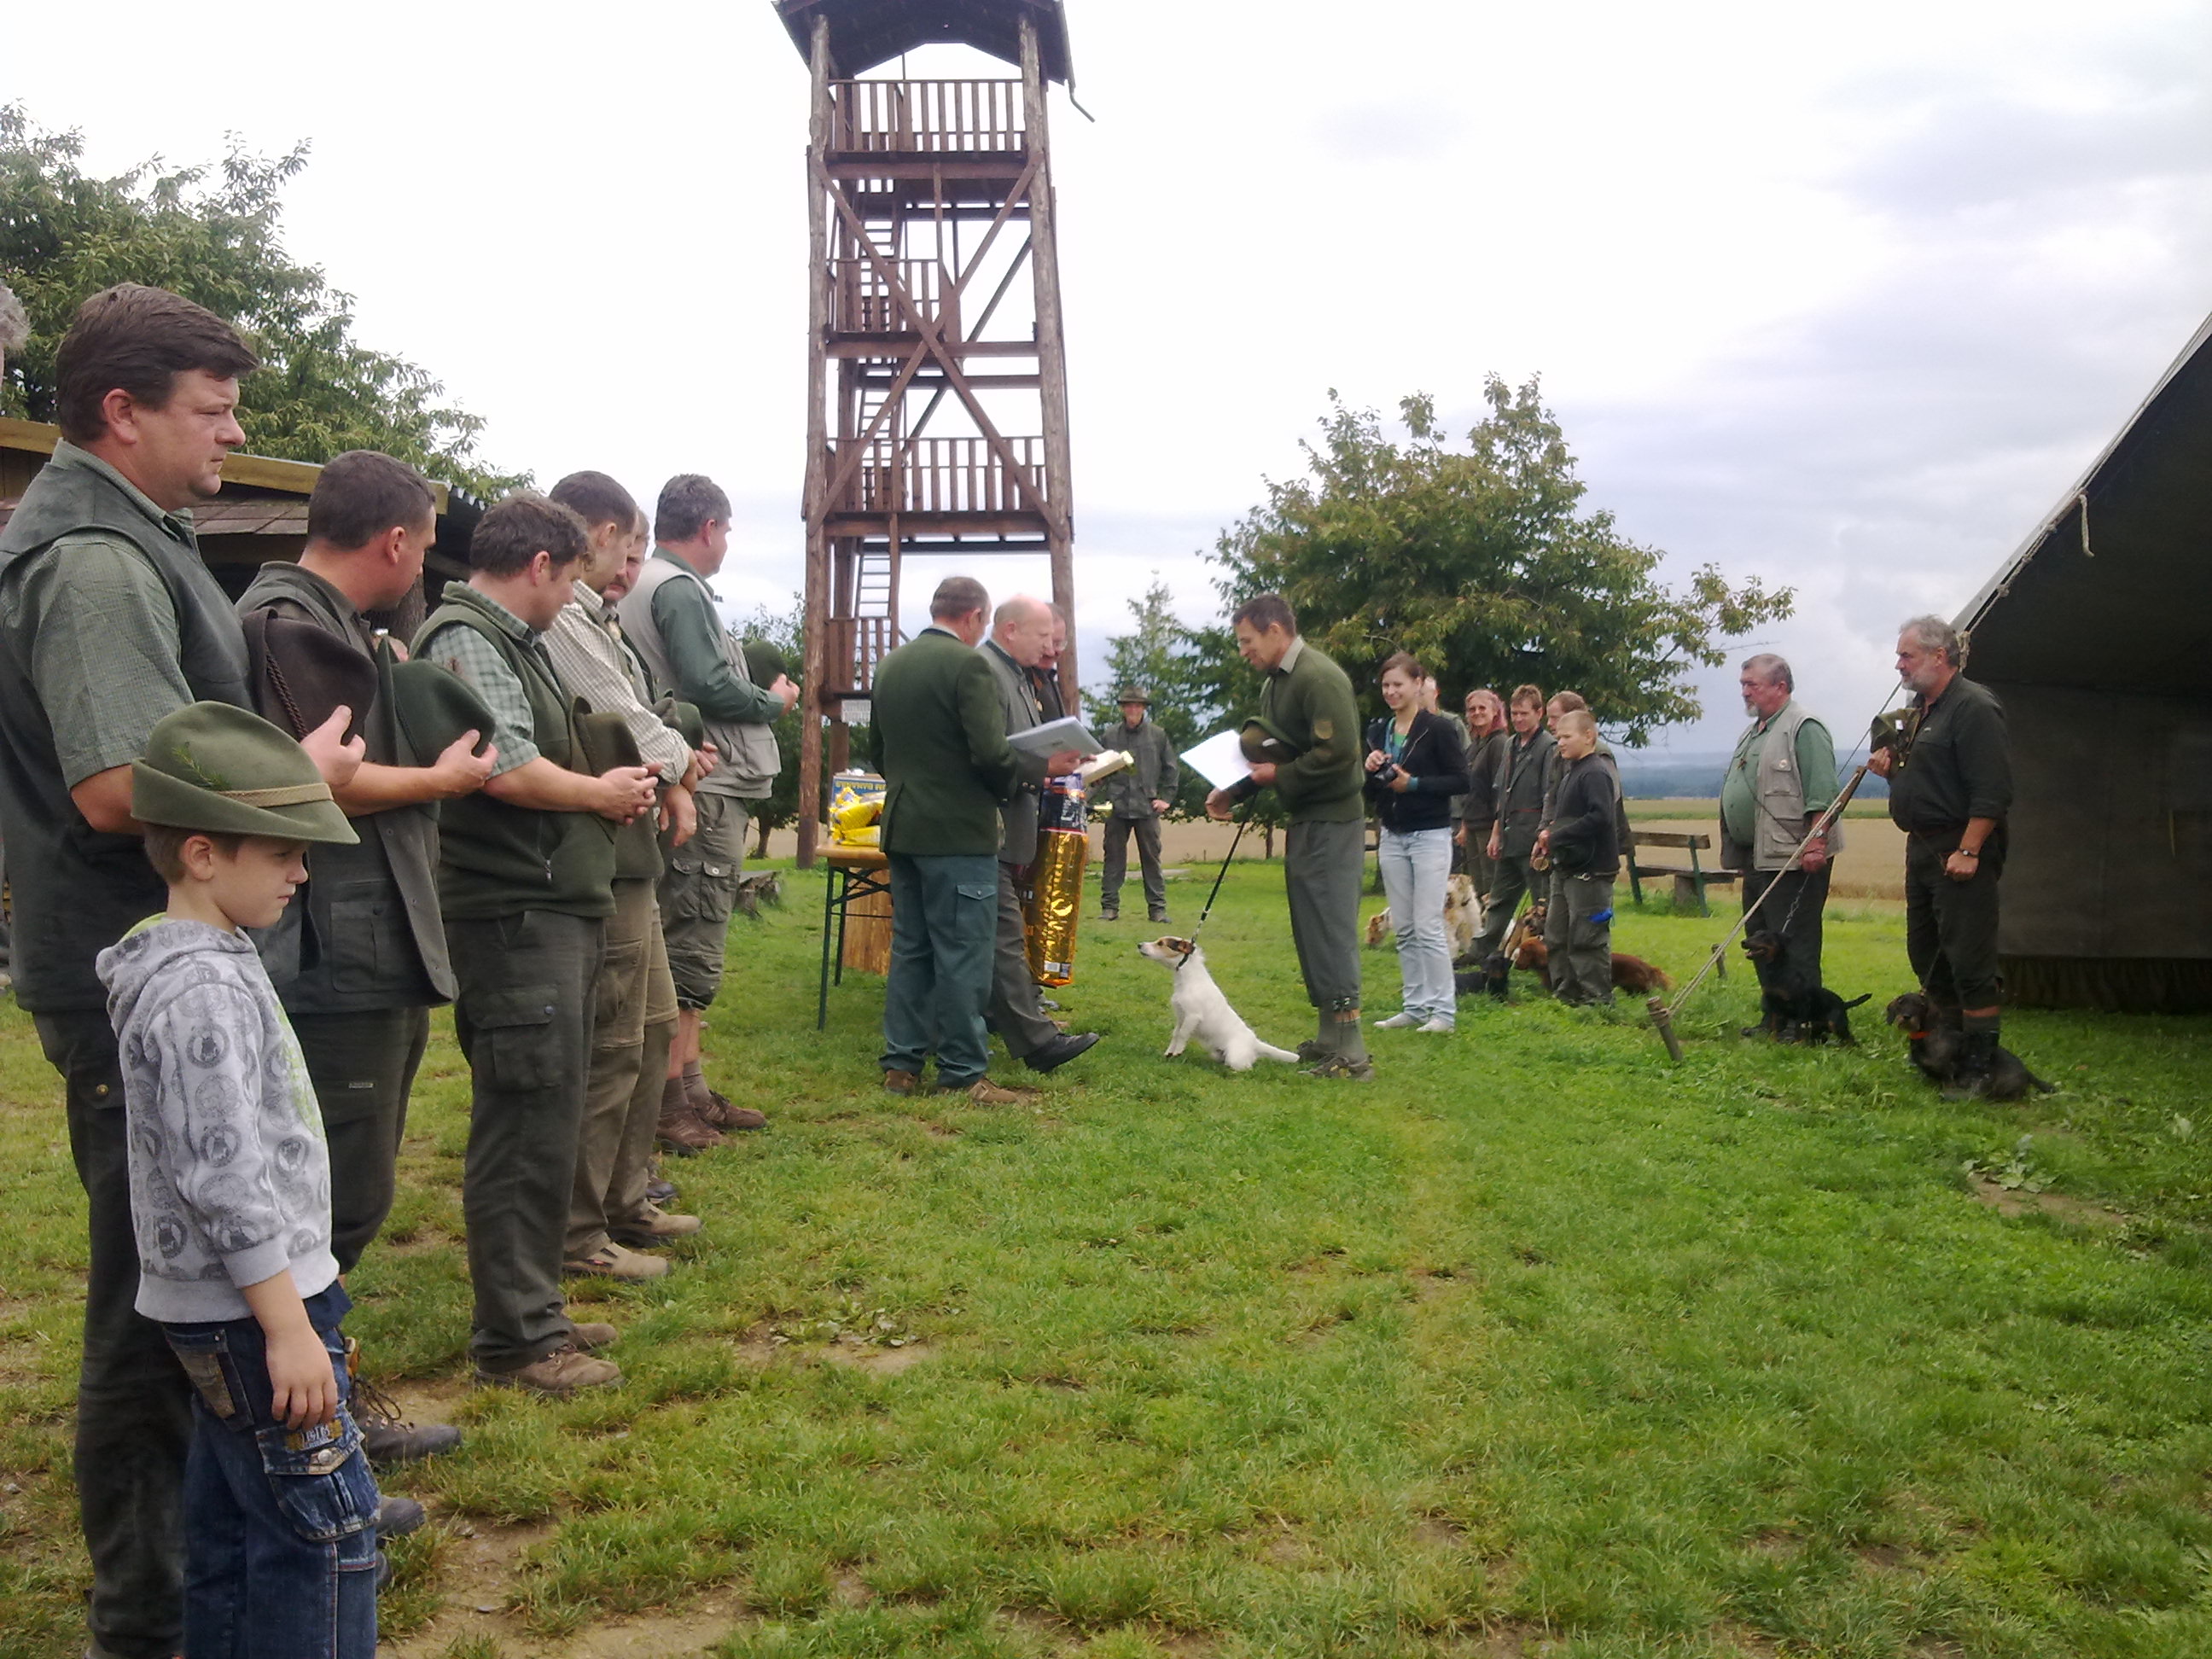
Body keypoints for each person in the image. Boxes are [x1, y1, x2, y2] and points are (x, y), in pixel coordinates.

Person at [0, 282, 362, 1659]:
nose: (234, 431)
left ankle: (235, 1534)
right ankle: (143, 1617)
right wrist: (298, 780)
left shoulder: (133, 533)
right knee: (150, 1299)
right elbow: (110, 785)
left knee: (193, 1276)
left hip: (164, 957)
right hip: (128, 983)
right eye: (211, 411)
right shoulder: (91, 565)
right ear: (121, 410)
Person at [98, 701, 380, 1658]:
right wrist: (290, 1328)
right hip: (256, 1317)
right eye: (281, 852)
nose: (302, 872)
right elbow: (225, 1178)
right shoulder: (202, 989)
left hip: (227, 1312)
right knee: (330, 1539)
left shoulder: (202, 961)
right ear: (204, 854)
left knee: (228, 1530)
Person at [237, 449, 497, 1465]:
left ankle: (322, 1409)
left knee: (348, 1192)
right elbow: (316, 784)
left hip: (360, 946)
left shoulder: (333, 625)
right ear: (395, 541)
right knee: (329, 1200)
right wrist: (435, 782)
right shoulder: (286, 625)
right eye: (427, 548)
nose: (425, 568)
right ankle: (295, 1428)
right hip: (327, 958)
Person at [414, 492, 658, 1394]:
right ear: (542, 567)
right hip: (516, 917)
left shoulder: (506, 640)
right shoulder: (470, 635)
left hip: (547, 909)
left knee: (548, 1116)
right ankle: (516, 1341)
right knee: (523, 1126)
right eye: (570, 582)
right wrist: (602, 794)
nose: (570, 603)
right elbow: (507, 766)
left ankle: (535, 1312)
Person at [542, 471, 708, 1283]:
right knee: (611, 1043)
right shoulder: (564, 618)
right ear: (596, 532)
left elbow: (649, 724)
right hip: (593, 860)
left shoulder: (597, 616)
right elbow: (634, 726)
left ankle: (623, 1196)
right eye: (627, 551)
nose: (630, 572)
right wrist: (676, 762)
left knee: (647, 1029)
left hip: (627, 857)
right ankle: (580, 1231)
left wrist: (669, 759)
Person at [616, 474, 797, 1135]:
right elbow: (708, 683)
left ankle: (690, 1086)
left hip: (696, 779)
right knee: (691, 937)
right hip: (708, 786)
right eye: (726, 532)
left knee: (688, 934)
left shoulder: (646, 584)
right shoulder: (677, 588)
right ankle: (670, 1103)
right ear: (711, 528)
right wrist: (772, 703)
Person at [869, 577, 1078, 1102]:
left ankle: (902, 1065)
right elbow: (990, 755)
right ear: (975, 618)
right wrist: (1036, 769)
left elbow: (879, 750)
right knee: (965, 954)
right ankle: (964, 1073)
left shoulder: (891, 665)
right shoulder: (970, 666)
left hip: (902, 827)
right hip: (960, 833)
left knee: (912, 950)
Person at [1204, 593, 1370, 1079]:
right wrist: (1234, 790)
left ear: (1276, 630)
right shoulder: (1278, 683)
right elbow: (1277, 751)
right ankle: (1329, 1034)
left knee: (1332, 927)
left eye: (1247, 641)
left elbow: (1338, 753)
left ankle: (1353, 1051)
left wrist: (1272, 778)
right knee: (1311, 928)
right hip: (1307, 818)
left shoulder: (1318, 676)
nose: (1244, 651)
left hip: (1333, 821)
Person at [1871, 614, 2014, 1092]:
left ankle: (1980, 1067)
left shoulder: (1973, 706)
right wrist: (1889, 772)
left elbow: (1993, 790)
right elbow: (1927, 781)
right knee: (1927, 953)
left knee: (1970, 962)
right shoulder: (1919, 711)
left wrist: (1970, 849)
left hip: (1960, 849)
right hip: (1923, 849)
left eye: (1906, 655)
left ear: (1939, 655)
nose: (1899, 665)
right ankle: (1945, 1054)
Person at [977, 595, 1101, 1074]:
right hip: (993, 824)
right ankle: (1036, 1042)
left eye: (1055, 639)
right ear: (1010, 630)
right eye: (1042, 636)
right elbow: (990, 753)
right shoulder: (989, 671)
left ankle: (977, 1027)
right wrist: (1040, 769)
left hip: (1014, 821)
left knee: (997, 933)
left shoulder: (1021, 675)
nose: (1049, 646)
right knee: (1003, 933)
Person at [1718, 654, 1841, 1023]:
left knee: (1795, 944)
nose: (1745, 692)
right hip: (1757, 857)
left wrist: (1817, 843)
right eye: (1743, 685)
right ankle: (1774, 1018)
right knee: (1759, 941)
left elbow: (1824, 792)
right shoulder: (1756, 729)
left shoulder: (1804, 727)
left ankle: (1806, 1022)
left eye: (1751, 684)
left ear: (1780, 686)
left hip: (1793, 859)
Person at [1365, 653, 1468, 1033]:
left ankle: (1444, 1012)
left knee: (1428, 925)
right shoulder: (1378, 731)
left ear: (1417, 684)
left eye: (1398, 684)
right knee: (1405, 926)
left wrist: (1416, 784)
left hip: (1429, 835)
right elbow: (1370, 790)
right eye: (1386, 685)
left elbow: (1461, 780)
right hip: (1392, 834)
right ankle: (1415, 1005)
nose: (1391, 692)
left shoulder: (1438, 729)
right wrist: (1371, 770)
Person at [1535, 691, 1631, 988]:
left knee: (1587, 937)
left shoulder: (1596, 772)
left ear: (1589, 736)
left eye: (1566, 737)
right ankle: (1566, 992)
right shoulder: (1571, 771)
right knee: (1557, 934)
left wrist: (1557, 835)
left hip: (1592, 869)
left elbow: (1601, 817)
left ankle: (1595, 997)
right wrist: (1547, 837)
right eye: (1559, 737)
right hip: (1566, 866)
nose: (1560, 742)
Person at [1467, 685, 1556, 989]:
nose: (1518, 719)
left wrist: (1543, 837)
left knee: (1542, 906)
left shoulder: (1548, 747)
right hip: (1507, 836)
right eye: (1515, 713)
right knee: (1499, 900)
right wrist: (1495, 832)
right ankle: (1480, 953)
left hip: (1533, 839)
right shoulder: (1510, 746)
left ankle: (1549, 964)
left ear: (1538, 713)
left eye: (1524, 714)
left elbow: (1550, 794)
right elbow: (1501, 795)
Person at [1097, 684, 1179, 923]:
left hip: (1147, 807)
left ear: (1143, 708)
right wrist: (1085, 795)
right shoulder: (1110, 736)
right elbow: (1099, 770)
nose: (1133, 709)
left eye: (1137, 705)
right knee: (1113, 858)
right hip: (1118, 807)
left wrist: (1166, 799)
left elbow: (1171, 768)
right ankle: (1109, 908)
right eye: (1128, 705)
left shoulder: (1158, 735)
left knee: (1152, 860)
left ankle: (1157, 909)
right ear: (1123, 709)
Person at [1458, 688, 1509, 907]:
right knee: (1476, 889)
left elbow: (1500, 790)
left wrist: (1497, 831)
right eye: (1472, 709)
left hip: (1490, 827)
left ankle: (1496, 937)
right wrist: (1464, 825)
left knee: (1491, 888)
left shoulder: (1499, 743)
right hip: (1472, 824)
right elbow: (1470, 791)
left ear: (1495, 711)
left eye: (1482, 708)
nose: (1477, 713)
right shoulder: (1475, 746)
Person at [1027, 604, 1069, 720]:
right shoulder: (1017, 679)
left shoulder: (1048, 679)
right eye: (1045, 642)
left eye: (1057, 644)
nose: (1051, 652)